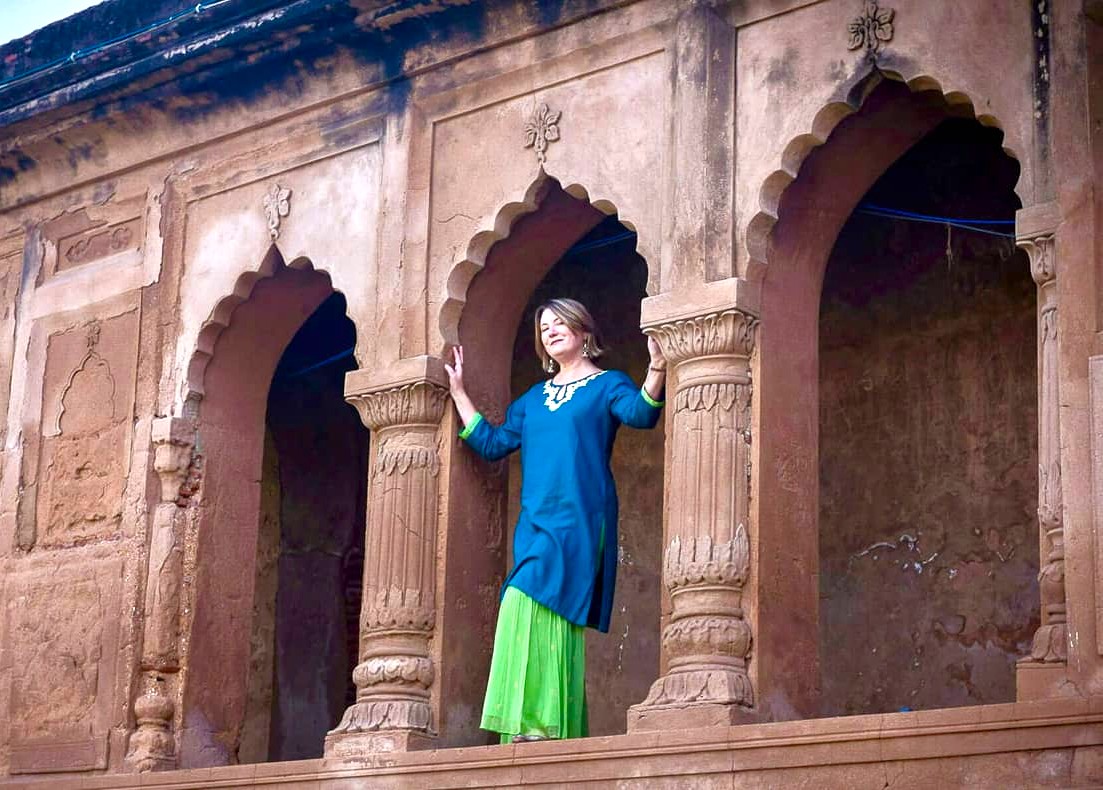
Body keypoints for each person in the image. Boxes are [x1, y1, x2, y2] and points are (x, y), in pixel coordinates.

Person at [444, 297, 666, 744]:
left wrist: (657, 369)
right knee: (523, 604)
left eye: (560, 322)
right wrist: (459, 394)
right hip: (536, 523)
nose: (551, 330)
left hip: (582, 518)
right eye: (544, 327)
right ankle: (538, 731)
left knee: (545, 607)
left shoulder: (608, 386)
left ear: (584, 332)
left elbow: (640, 415)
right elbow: (491, 443)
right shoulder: (532, 399)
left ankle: (543, 727)